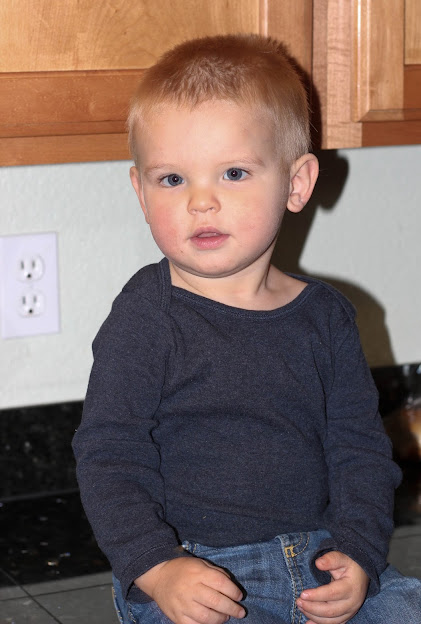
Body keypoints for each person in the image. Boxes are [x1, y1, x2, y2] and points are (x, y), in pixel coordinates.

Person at [72, 34, 421, 624]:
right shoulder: (147, 315)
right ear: (140, 191)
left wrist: (359, 554)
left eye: (233, 173)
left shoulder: (326, 317)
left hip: (322, 562)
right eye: (172, 180)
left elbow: (360, 452)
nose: (201, 202)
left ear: (296, 183)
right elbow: (109, 454)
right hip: (193, 575)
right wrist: (156, 567)